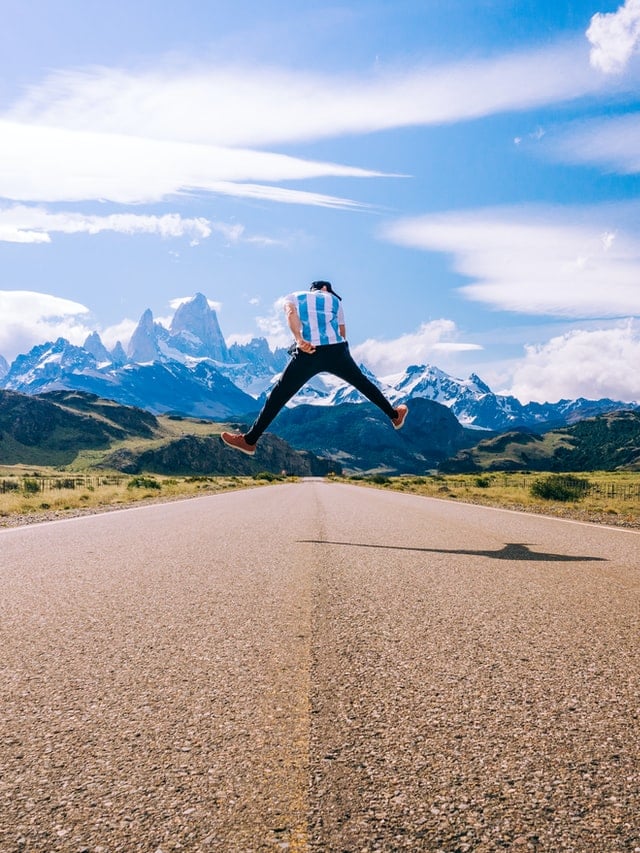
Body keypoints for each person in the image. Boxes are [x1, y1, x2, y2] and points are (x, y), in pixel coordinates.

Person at [221, 281, 408, 456]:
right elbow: (343, 333)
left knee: (279, 395)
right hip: (337, 350)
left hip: (308, 350)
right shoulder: (335, 301)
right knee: (363, 383)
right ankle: (394, 416)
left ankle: (250, 440)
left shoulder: (293, 297)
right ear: (325, 288)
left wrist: (299, 340)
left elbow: (291, 315)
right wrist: (342, 356)